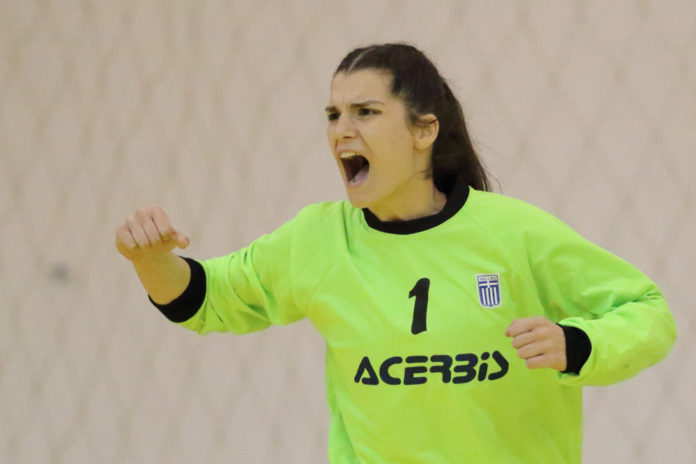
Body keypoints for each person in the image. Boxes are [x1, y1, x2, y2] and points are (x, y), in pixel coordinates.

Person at [115, 43, 676, 463]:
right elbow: (204, 300)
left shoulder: (514, 232)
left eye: (365, 112)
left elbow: (649, 312)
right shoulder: (318, 239)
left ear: (423, 131)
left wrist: (578, 344)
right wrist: (150, 259)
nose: (342, 130)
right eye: (333, 115)